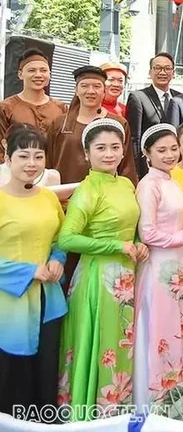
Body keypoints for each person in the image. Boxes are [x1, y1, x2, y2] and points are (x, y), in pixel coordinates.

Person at [57, 118, 146, 420]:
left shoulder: (125, 183)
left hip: (125, 277)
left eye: (114, 147)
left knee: (121, 343)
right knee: (102, 344)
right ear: (86, 154)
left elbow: (130, 225)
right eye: (101, 148)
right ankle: (92, 416)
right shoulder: (87, 189)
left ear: (123, 151)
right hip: (97, 279)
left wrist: (136, 241)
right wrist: (116, 247)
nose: (109, 154)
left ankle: (117, 415)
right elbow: (67, 238)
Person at [133, 124, 183, 419]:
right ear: (147, 154)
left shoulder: (171, 182)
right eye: (161, 150)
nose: (170, 154)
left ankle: (175, 403)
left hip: (177, 264)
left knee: (176, 327)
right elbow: (147, 232)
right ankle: (155, 404)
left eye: (174, 148)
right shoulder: (149, 185)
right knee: (160, 328)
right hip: (160, 265)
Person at [0, 125, 67, 418]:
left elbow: (59, 238)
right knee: (13, 371)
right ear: (7, 157)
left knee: (47, 366)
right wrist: (28, 271)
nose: (31, 163)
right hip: (9, 302)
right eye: (23, 155)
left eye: (38, 156)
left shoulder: (49, 198)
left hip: (47, 299)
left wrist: (57, 258)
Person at [46, 66, 137, 185]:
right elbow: (48, 162)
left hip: (106, 196)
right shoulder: (60, 123)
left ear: (104, 91)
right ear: (76, 90)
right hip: (64, 196)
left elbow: (127, 166)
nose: (91, 91)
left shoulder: (118, 124)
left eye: (97, 86)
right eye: (84, 86)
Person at [0, 49, 67, 160]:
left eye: (43, 70)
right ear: (20, 74)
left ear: (50, 74)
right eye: (32, 70)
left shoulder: (61, 108)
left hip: (52, 172)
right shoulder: (6, 108)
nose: (38, 75)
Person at [126, 53, 180, 179]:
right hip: (149, 168)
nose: (162, 72)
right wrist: (137, 171)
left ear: (173, 73)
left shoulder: (180, 98)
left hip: (176, 166)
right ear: (150, 72)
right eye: (157, 68)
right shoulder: (138, 97)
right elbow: (135, 138)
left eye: (167, 69)